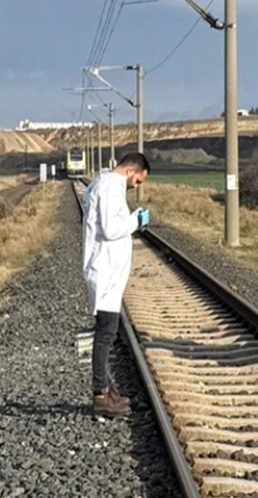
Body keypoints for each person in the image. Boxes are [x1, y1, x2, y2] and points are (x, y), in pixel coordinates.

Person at [82, 152, 151, 418]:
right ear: (132, 170)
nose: (136, 186)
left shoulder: (103, 184)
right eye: (138, 181)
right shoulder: (112, 186)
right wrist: (135, 220)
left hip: (105, 269)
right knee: (106, 333)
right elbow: (111, 229)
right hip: (106, 271)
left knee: (107, 331)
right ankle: (101, 393)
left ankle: (105, 388)